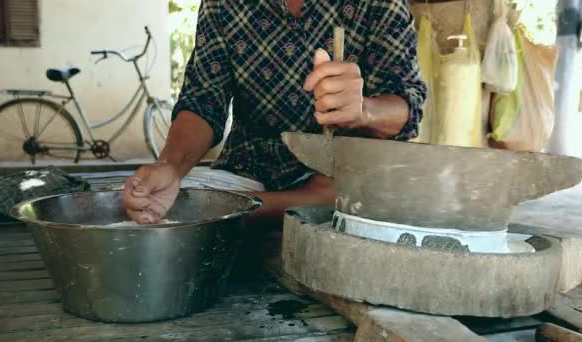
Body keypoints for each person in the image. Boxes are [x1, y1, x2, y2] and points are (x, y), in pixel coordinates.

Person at [121, 0, 426, 228]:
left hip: (344, 174)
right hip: (250, 174)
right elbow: (203, 102)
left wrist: (363, 111)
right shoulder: (222, 4)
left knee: (359, 196)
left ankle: (244, 212)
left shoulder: (378, 3)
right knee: (156, 204)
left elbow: (406, 107)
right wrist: (170, 167)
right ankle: (293, 207)